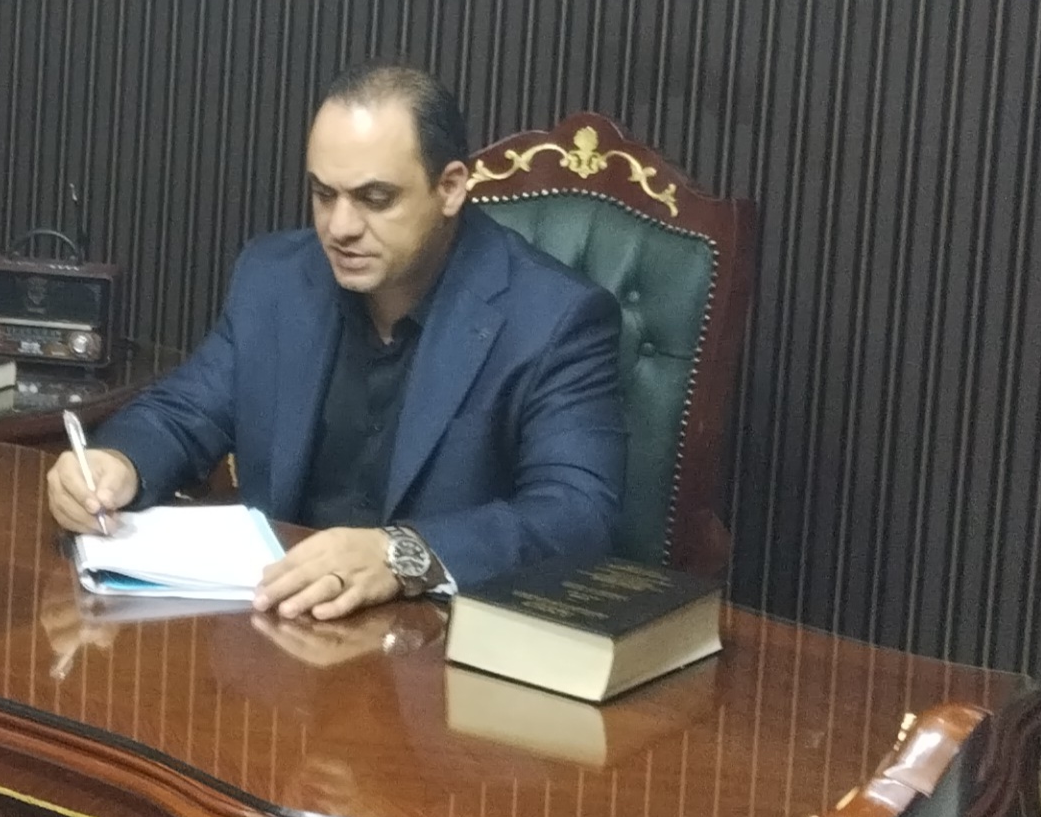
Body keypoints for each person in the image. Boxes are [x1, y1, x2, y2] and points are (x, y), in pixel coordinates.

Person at [45, 65, 626, 614]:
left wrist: (402, 555)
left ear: (450, 188)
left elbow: (576, 515)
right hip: (279, 626)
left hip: (441, 645)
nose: (341, 228)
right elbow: (182, 412)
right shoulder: (276, 279)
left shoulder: (554, 318)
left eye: (375, 199)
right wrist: (117, 463)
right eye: (325, 195)